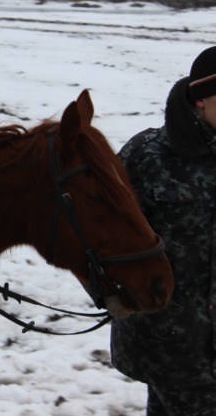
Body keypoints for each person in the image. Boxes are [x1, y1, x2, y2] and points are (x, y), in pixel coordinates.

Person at [111, 45, 216, 415]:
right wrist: (114, 298)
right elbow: (104, 236)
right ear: (201, 99)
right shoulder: (147, 155)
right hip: (170, 345)